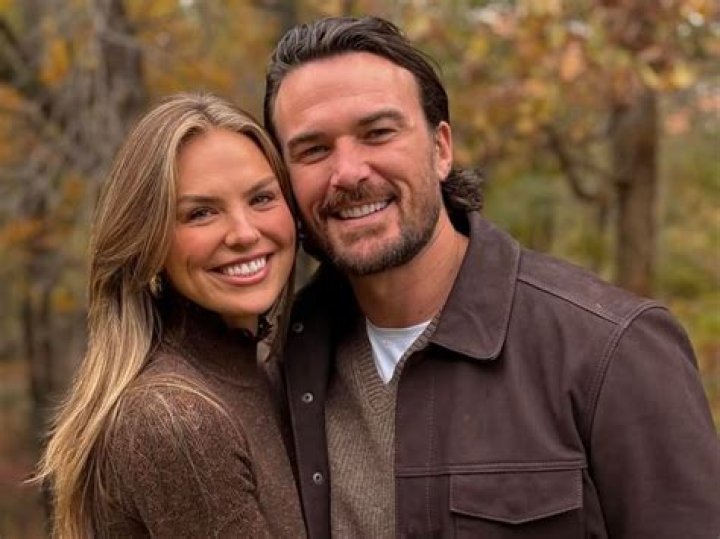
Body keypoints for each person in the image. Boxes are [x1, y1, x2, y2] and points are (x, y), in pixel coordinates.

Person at [263, 16, 720, 539]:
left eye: (378, 133)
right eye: (313, 150)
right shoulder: (282, 359)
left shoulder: (610, 350)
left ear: (441, 149)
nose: (348, 172)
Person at [35, 93, 305, 537]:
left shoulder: (260, 373)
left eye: (261, 198)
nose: (243, 233)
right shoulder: (176, 419)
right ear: (149, 242)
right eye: (201, 213)